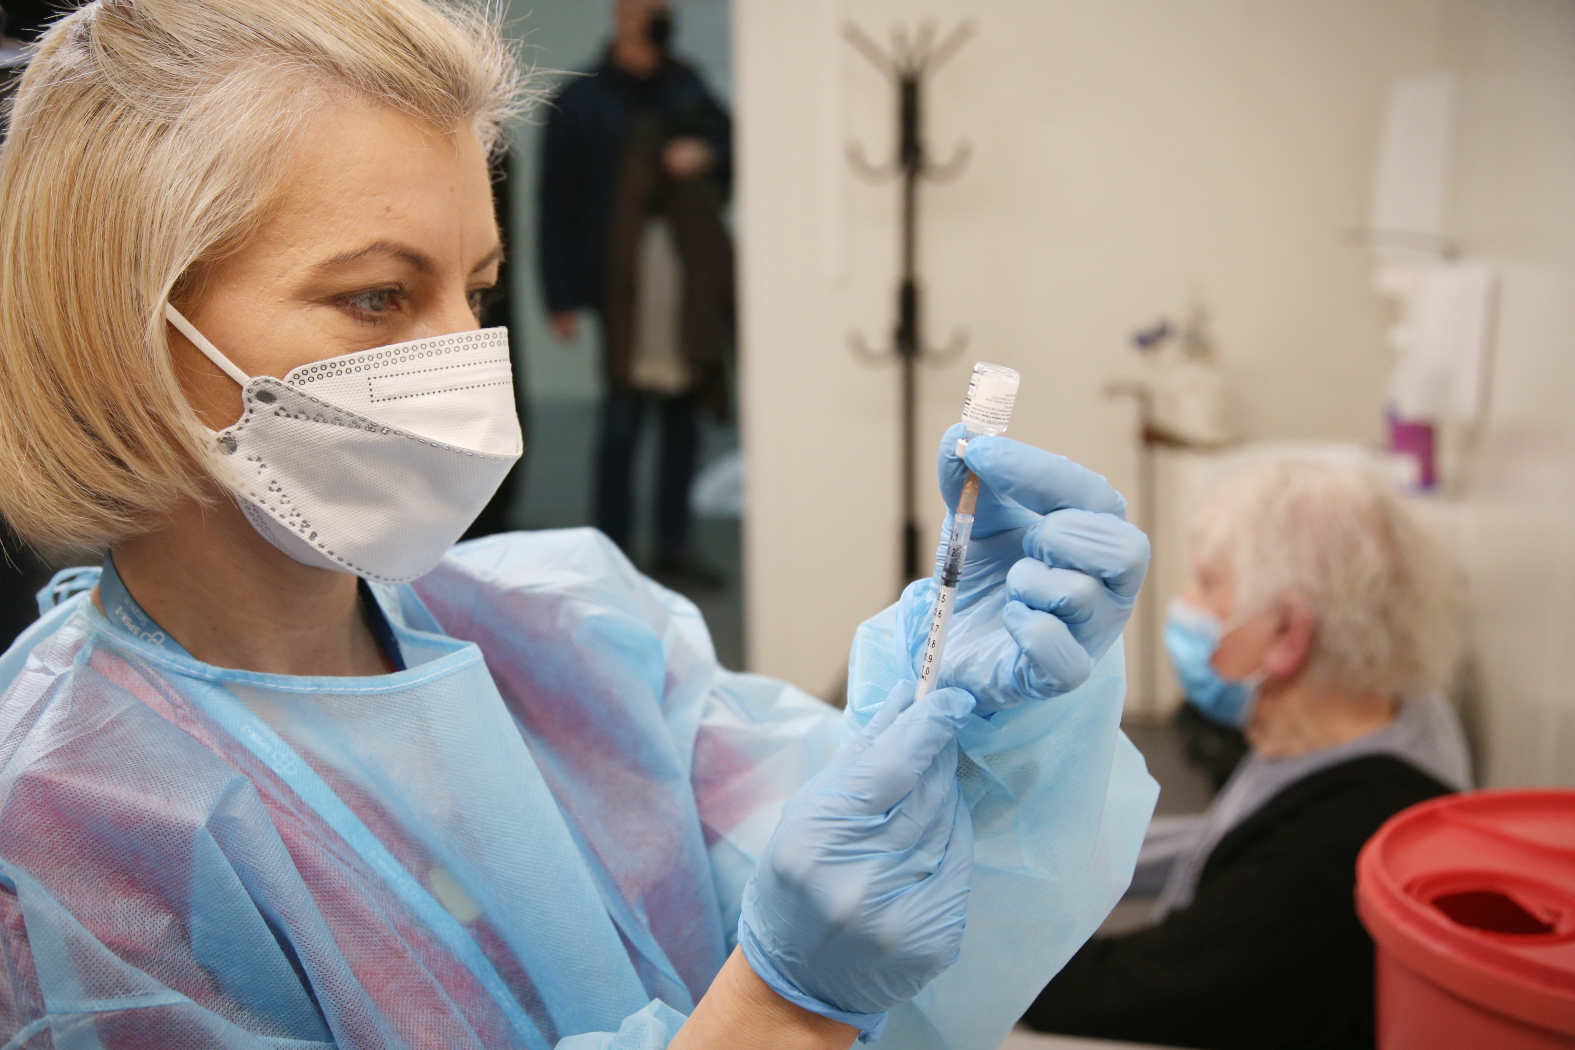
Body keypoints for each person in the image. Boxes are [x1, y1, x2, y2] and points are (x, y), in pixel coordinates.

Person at [0, 2, 1159, 1046]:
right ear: (121, 329)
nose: (465, 361)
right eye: (377, 296)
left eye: (478, 291)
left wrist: (965, 731)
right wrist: (776, 1014)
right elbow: (809, 973)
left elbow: (873, 908)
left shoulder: (566, 631)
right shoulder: (64, 847)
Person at [1022, 454, 1472, 1050]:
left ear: (1288, 633)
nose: (1185, 603)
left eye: (1208, 584)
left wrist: (974, 945)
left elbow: (1127, 994)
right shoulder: (1393, 709)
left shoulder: (1325, 857)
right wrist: (1058, 849)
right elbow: (1228, 837)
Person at [538, 0, 733, 585]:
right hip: (617, 281)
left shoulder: (687, 83)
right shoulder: (582, 99)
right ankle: (612, 550)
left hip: (682, 277)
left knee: (681, 417)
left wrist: (705, 153)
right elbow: (556, 202)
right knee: (621, 418)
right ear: (620, 12)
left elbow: (728, 142)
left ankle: (675, 545)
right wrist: (559, 295)